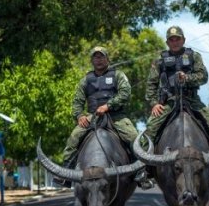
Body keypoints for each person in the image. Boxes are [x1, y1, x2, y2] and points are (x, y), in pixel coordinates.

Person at [144, 25, 209, 179]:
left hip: (192, 100)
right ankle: (145, 169)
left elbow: (203, 76)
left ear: (183, 40)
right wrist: (154, 103)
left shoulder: (194, 56)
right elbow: (151, 84)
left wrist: (187, 78)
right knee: (150, 129)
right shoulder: (159, 60)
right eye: (171, 39)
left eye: (177, 39)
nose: (174, 42)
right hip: (170, 101)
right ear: (167, 42)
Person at [54, 45, 153, 189]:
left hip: (116, 116)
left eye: (101, 56)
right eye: (95, 57)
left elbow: (125, 93)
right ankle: (65, 174)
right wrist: (79, 115)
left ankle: (141, 172)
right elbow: (77, 101)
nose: (99, 60)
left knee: (133, 138)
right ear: (92, 60)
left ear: (108, 59)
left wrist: (108, 106)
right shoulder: (86, 79)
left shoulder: (118, 75)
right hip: (92, 116)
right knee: (74, 138)